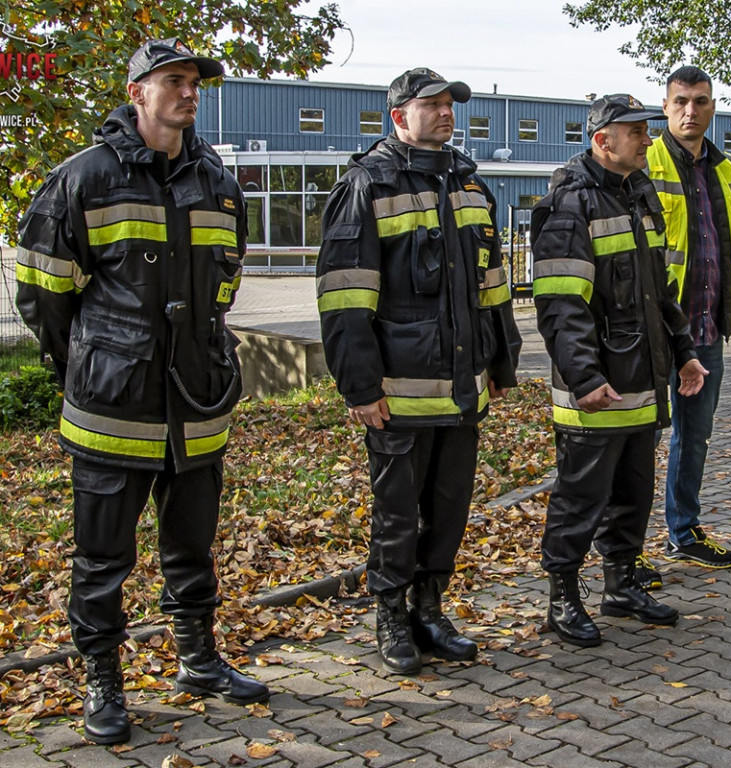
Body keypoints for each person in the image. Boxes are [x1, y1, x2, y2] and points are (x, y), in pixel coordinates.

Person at [15, 38, 268, 745]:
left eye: (196, 84)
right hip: (111, 410)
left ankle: (199, 659)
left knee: (193, 548)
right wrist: (96, 360)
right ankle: (103, 682)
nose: (190, 93)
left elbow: (227, 278)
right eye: (175, 81)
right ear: (138, 92)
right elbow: (42, 294)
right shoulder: (84, 178)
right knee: (102, 559)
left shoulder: (217, 180)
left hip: (197, 402)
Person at [316, 67, 521, 675]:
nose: (445, 113)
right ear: (399, 116)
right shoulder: (366, 185)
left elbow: (492, 284)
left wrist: (500, 362)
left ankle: (430, 609)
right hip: (398, 392)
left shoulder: (469, 184)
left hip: (461, 388)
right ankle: (390, 615)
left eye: (449, 104)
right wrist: (359, 384)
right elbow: (345, 294)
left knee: (450, 506)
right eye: (430, 104)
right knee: (398, 512)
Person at [531, 94, 707, 647]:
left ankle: (620, 583)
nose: (648, 140)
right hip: (597, 386)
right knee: (581, 497)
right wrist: (583, 378)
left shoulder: (640, 194)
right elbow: (562, 303)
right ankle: (563, 599)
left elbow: (660, 291)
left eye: (647, 131)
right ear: (602, 140)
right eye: (636, 132)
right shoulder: (569, 203)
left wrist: (683, 350)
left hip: (642, 380)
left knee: (634, 491)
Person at [642, 65, 731, 582]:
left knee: (694, 437)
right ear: (665, 106)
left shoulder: (725, 168)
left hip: (706, 329)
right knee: (636, 441)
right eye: (680, 101)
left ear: (711, 106)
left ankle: (684, 532)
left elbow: (724, 244)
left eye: (701, 101)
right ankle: (627, 551)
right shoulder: (644, 162)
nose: (691, 110)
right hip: (653, 331)